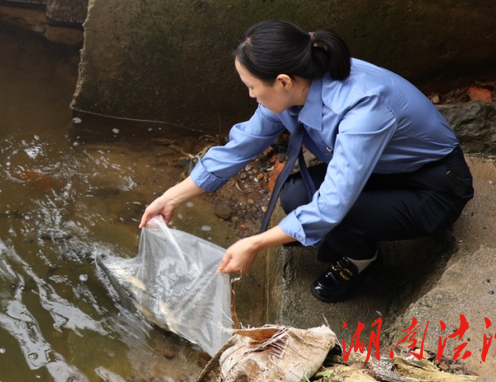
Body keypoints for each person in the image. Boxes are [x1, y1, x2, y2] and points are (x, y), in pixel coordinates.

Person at [138, 19, 474, 303]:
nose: (251, 96)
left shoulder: (363, 108)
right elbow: (240, 146)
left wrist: (254, 243)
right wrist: (170, 198)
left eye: (252, 87)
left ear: (282, 81)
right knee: (297, 196)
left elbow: (331, 206)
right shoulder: (299, 84)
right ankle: (352, 235)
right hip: (381, 169)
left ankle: (363, 259)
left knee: (330, 215)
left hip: (431, 187)